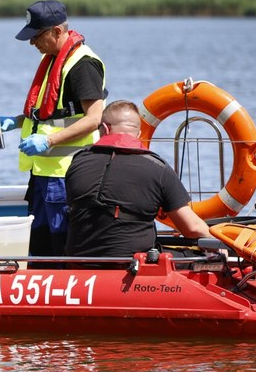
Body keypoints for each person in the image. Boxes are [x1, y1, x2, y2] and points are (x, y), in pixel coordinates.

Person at [0, 0, 107, 257]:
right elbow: (50, 114)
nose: (32, 43)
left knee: (61, 241)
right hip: (43, 173)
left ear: (57, 31)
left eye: (36, 36)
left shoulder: (82, 64)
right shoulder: (54, 59)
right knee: (40, 241)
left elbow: (93, 118)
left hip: (65, 174)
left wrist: (49, 141)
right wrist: (15, 121)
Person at [65, 100, 213, 257]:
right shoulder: (158, 168)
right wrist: (219, 245)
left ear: (105, 129)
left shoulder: (78, 161)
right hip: (133, 265)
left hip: (78, 260)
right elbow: (192, 228)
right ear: (139, 135)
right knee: (203, 258)